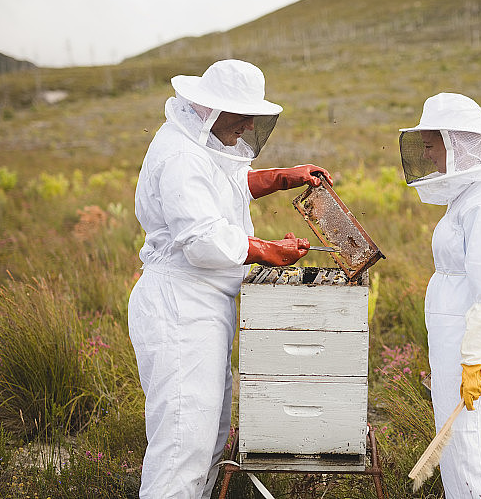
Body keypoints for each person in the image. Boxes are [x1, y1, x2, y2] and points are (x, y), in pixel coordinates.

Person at [127, 59, 333, 498]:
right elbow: (201, 239)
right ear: (211, 109)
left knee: (210, 435)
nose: (245, 128)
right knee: (183, 442)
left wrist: (281, 177)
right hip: (180, 305)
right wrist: (266, 250)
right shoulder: (181, 155)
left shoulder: (200, 145)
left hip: (203, 305)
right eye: (240, 120)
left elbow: (228, 184)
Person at [399, 92, 481, 498]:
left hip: (473, 343)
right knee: (462, 448)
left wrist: (475, 361)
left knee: (470, 448)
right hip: (458, 338)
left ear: (456, 143)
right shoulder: (467, 197)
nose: (429, 156)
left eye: (432, 145)